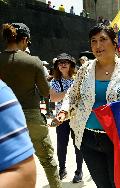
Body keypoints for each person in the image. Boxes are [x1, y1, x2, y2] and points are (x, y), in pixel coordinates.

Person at [51, 24, 120, 187]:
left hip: (119, 139)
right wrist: (64, 111)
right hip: (88, 138)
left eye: (103, 40)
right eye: (93, 41)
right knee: (102, 185)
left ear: (114, 42)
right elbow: (72, 94)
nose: (98, 45)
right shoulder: (85, 69)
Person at [0, 23, 62, 188]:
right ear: (25, 39)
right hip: (31, 117)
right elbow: (47, 92)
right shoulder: (33, 61)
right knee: (48, 161)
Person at [49, 53, 84, 183]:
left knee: (78, 144)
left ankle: (79, 171)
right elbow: (53, 98)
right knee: (61, 145)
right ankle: (62, 169)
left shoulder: (78, 79)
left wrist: (64, 94)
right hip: (61, 118)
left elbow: (81, 96)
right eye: (60, 62)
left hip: (76, 117)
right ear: (57, 66)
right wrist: (70, 93)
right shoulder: (55, 81)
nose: (63, 64)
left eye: (66, 62)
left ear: (71, 65)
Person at [0, 79, 36, 188]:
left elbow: (23, 174)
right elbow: (45, 92)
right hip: (31, 112)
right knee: (47, 158)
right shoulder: (32, 62)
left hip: (22, 113)